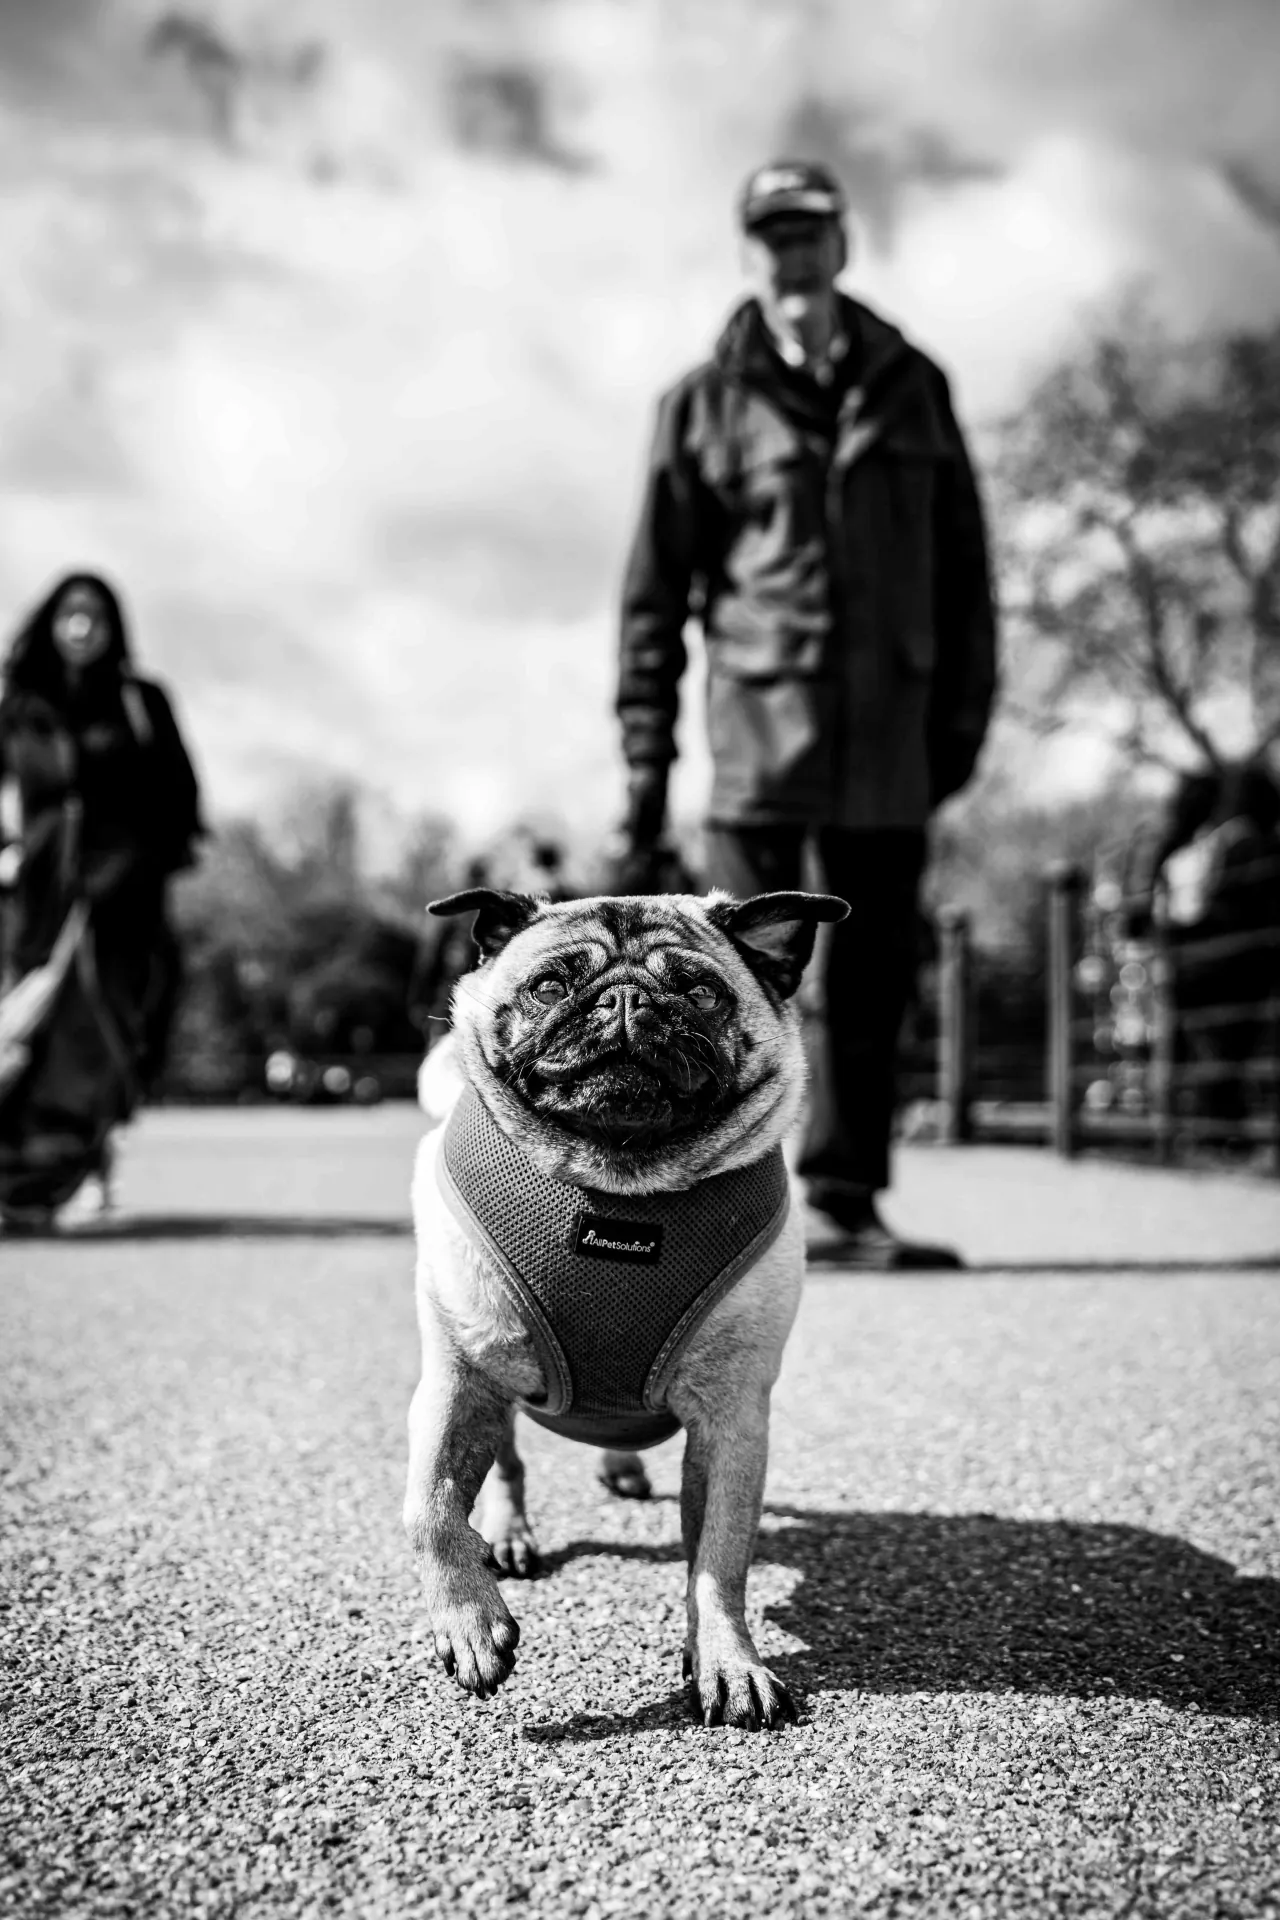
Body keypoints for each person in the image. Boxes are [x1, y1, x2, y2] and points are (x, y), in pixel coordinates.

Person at [616, 160, 998, 1267]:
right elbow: (653, 598)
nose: (792, 255)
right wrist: (647, 758)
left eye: (809, 234)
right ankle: (727, 1211)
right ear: (752, 252)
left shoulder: (912, 385)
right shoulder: (698, 403)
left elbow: (964, 573)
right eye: (771, 236)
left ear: (841, 244)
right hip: (755, 744)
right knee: (736, 978)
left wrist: (957, 728)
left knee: (870, 984)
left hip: (891, 747)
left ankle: (840, 1203)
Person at [0, 572, 204, 1227]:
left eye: (95, 616)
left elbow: (180, 795)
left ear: (114, 627)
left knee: (104, 1036)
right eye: (70, 615)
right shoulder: (20, 706)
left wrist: (147, 866)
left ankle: (85, 1166)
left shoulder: (140, 700)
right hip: (36, 898)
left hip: (121, 898)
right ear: (51, 623)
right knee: (33, 1035)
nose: (82, 628)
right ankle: (35, 1176)